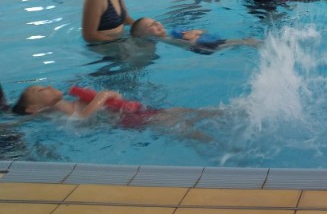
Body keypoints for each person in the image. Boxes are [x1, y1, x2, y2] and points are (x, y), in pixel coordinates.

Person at [4, 84, 218, 139]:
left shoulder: (72, 101)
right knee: (177, 125)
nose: (48, 87)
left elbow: (112, 97)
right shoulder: (60, 113)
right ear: (34, 108)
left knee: (181, 110)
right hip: (126, 121)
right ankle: (213, 143)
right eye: (40, 90)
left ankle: (223, 114)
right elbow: (82, 118)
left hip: (130, 111)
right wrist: (102, 97)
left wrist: (110, 95)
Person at [130, 17, 260, 53]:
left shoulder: (169, 34)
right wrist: (193, 36)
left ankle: (255, 43)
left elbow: (204, 31)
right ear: (144, 34)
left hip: (206, 42)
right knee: (243, 42)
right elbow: (186, 43)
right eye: (152, 25)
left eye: (155, 21)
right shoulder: (163, 39)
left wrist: (196, 32)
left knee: (243, 42)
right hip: (202, 47)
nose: (157, 24)